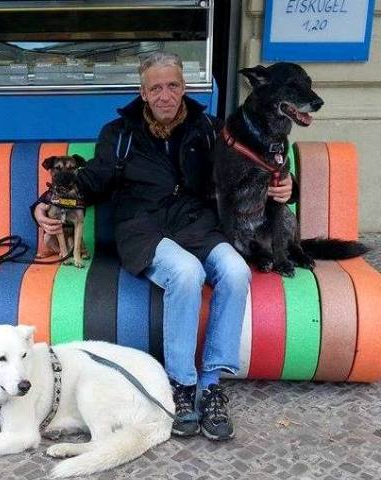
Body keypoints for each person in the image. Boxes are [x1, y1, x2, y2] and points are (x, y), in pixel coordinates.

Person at [32, 53, 294, 441]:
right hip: (142, 227)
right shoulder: (119, 134)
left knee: (236, 271)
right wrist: (42, 205)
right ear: (143, 93)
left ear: (184, 88)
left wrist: (286, 188)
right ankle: (183, 386)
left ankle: (211, 383)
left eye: (173, 86)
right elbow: (91, 180)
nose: (165, 95)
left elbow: (252, 168)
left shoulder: (210, 129)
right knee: (186, 273)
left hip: (196, 224)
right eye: (155, 88)